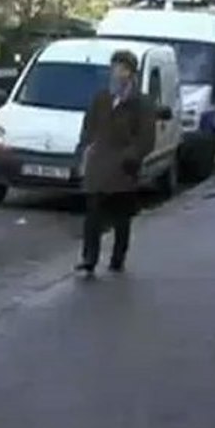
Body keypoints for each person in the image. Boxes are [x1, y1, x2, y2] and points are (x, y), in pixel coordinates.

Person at [75, 50, 156, 276]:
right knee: (93, 215)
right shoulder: (102, 98)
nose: (116, 74)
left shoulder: (140, 103)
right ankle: (89, 258)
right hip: (99, 165)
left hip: (123, 170)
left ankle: (118, 257)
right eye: (114, 68)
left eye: (121, 69)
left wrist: (131, 157)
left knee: (121, 217)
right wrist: (85, 148)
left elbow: (146, 138)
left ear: (130, 73)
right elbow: (89, 127)